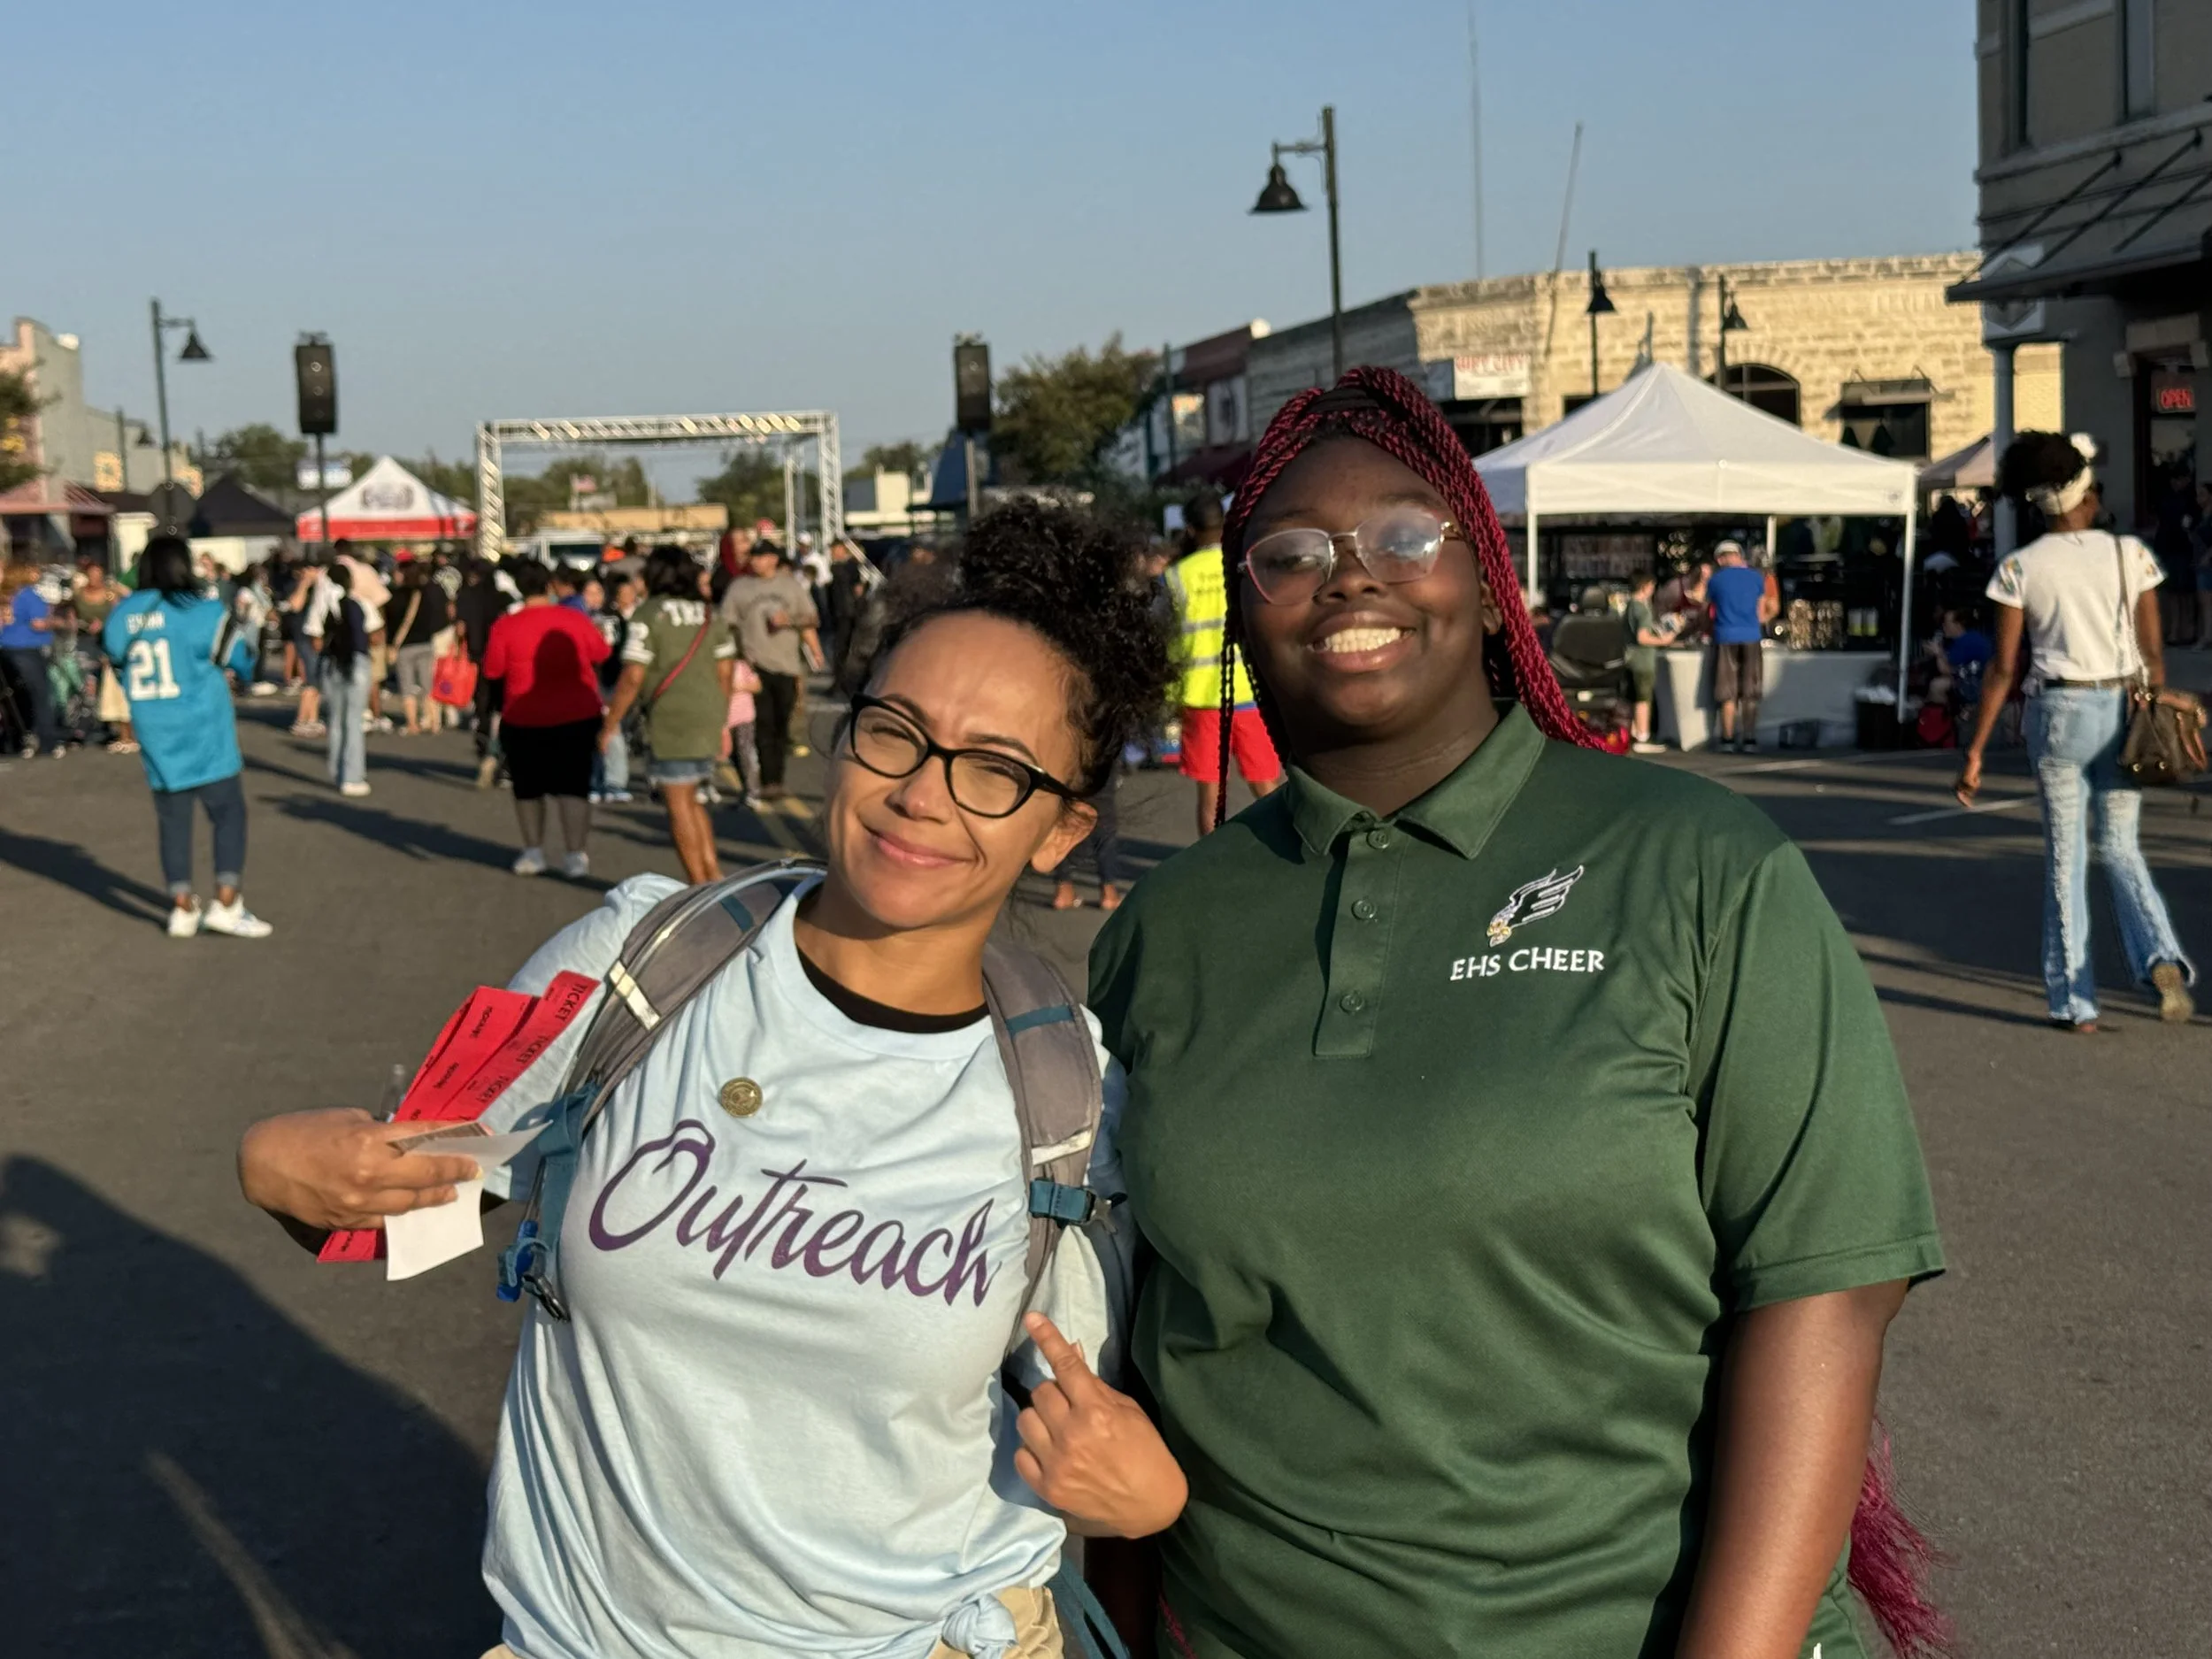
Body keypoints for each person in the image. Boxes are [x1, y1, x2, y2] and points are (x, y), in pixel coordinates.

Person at [1087, 366, 1947, 1659]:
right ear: (1242, 610)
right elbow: (1117, 1326)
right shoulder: (1168, 930)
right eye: (1291, 552)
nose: (1352, 575)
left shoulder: (1701, 865)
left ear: (1488, 580)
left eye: (1402, 535)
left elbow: (1826, 1291)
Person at [234, 497, 1184, 1659]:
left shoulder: (1072, 1097)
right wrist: (285, 1176)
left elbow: (1087, 1418)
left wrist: (1146, 1495)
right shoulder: (638, 964)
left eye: (994, 768)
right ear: (842, 734)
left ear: (1059, 827)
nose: (924, 791)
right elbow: (407, 1211)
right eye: (896, 730)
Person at [1956, 432, 2197, 1029]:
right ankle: (2161, 953)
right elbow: (2153, 651)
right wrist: (2154, 692)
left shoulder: (2020, 567)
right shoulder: (2128, 554)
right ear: (2083, 496)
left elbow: (2004, 666)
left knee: (2066, 859)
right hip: (2120, 705)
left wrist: (1977, 749)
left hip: (2058, 713)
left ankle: (2075, 1001)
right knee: (2121, 844)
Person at [101, 535, 273, 938]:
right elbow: (241, 661)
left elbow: (117, 664)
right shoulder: (202, 611)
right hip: (205, 731)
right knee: (228, 814)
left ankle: (181, 907)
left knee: (173, 823)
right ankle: (227, 903)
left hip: (156, 732)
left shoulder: (121, 615)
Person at [602, 546, 738, 886]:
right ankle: (712, 873)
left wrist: (610, 723)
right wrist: (721, 719)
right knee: (692, 799)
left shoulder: (649, 615)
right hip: (708, 711)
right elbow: (726, 671)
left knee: (677, 803)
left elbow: (633, 676)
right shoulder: (709, 614)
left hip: (670, 717)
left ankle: (697, 882)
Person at [482, 558, 609, 879]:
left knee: (527, 789)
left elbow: (493, 670)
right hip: (578, 713)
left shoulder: (505, 625)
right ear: (550, 585)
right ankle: (575, 854)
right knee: (574, 787)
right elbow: (601, 654)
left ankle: (533, 850)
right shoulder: (574, 620)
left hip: (524, 716)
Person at [1164, 495, 1282, 835]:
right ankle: (1282, 858)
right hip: (1247, 692)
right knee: (1266, 784)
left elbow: (1170, 644)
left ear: (1188, 528)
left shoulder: (1176, 577)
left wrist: (1170, 695)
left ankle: (1212, 869)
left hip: (1201, 698)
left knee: (1211, 797)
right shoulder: (1243, 566)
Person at [719, 540, 819, 797]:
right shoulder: (740, 588)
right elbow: (725, 624)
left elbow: (812, 618)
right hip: (755, 665)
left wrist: (790, 621)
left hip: (786, 665)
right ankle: (768, 781)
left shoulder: (790, 586)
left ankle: (776, 775)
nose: (756, 561)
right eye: (753, 556)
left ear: (774, 559)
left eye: (762, 557)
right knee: (762, 724)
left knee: (781, 722)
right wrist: (736, 657)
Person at [1706, 539, 1778, 752]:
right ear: (1739, 556)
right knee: (1750, 691)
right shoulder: (1757, 578)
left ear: (1720, 559)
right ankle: (1749, 739)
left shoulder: (1715, 580)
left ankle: (1727, 738)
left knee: (1727, 691)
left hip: (1724, 636)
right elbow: (1762, 611)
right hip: (1751, 636)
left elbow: (1708, 610)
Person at [317, 563, 378, 796]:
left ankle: (337, 770)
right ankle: (352, 776)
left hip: (331, 663)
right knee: (353, 721)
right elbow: (371, 633)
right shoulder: (357, 604)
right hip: (356, 662)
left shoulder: (324, 603)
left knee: (336, 720)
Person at [69, 560, 138, 752]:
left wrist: (105, 625)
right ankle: (82, 729)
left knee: (108, 685)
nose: (95, 578)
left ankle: (111, 728)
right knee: (88, 686)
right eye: (92, 574)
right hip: (85, 643)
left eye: (98, 574)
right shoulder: (79, 594)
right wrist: (75, 625)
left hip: (106, 641)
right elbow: (70, 613)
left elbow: (119, 613)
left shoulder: (110, 593)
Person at [1, 556, 65, 757]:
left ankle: (23, 737)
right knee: (41, 694)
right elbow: (38, 623)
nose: (37, 574)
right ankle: (47, 741)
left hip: (6, 649)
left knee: (18, 696)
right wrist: (57, 622)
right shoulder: (29, 594)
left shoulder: (7, 595)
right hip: (28, 648)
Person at [457, 557, 511, 787]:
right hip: (504, 660)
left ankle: (485, 753)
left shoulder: (467, 596)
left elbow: (460, 629)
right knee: (507, 710)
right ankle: (507, 765)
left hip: (478, 660)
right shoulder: (502, 598)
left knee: (483, 709)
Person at [384, 560, 451, 737]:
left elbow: (390, 622)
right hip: (425, 643)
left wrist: (391, 644)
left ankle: (412, 723)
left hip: (404, 646)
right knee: (427, 684)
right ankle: (433, 721)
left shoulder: (395, 597)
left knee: (407, 687)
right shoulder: (425, 594)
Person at [591, 571, 638, 803]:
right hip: (611, 681)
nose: (629, 597)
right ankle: (612, 781)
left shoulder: (642, 617)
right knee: (612, 731)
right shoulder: (605, 620)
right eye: (625, 593)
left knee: (631, 733)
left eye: (632, 592)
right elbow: (601, 653)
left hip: (636, 682)